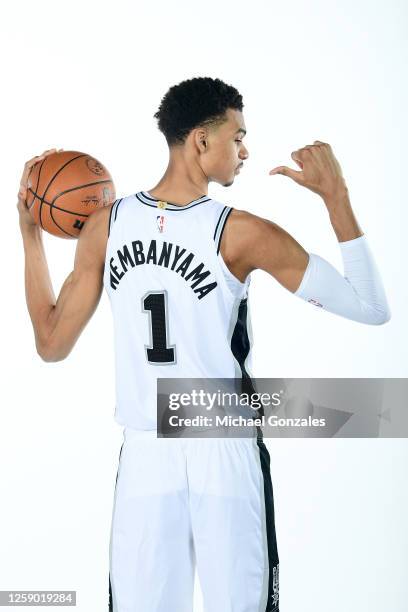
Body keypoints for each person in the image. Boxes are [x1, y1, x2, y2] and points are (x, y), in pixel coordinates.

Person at [17, 77, 390, 612]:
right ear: (200, 140)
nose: (245, 150)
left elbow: (50, 342)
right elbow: (370, 306)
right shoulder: (241, 231)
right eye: (238, 136)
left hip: (151, 449)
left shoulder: (107, 225)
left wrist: (29, 232)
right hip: (218, 446)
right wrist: (337, 196)